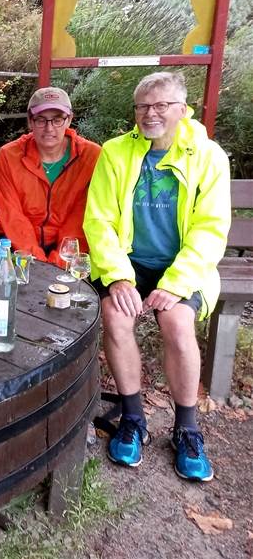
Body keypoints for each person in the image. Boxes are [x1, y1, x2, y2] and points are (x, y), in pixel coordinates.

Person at [83, 71, 231, 482]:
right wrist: (117, 277)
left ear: (183, 110)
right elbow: (99, 221)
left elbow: (211, 229)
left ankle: (187, 428)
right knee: (114, 315)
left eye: (161, 105)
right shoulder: (116, 153)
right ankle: (133, 418)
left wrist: (176, 284)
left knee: (178, 322)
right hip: (129, 264)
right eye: (143, 106)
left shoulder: (208, 156)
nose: (151, 113)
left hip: (182, 265)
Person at [0, 87, 101, 265]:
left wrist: (57, 264)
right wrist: (36, 260)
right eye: (41, 120)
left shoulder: (91, 156)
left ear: (69, 120)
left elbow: (80, 218)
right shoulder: (9, 155)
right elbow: (12, 215)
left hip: (68, 248)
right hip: (17, 242)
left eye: (57, 119)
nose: (49, 128)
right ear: (30, 121)